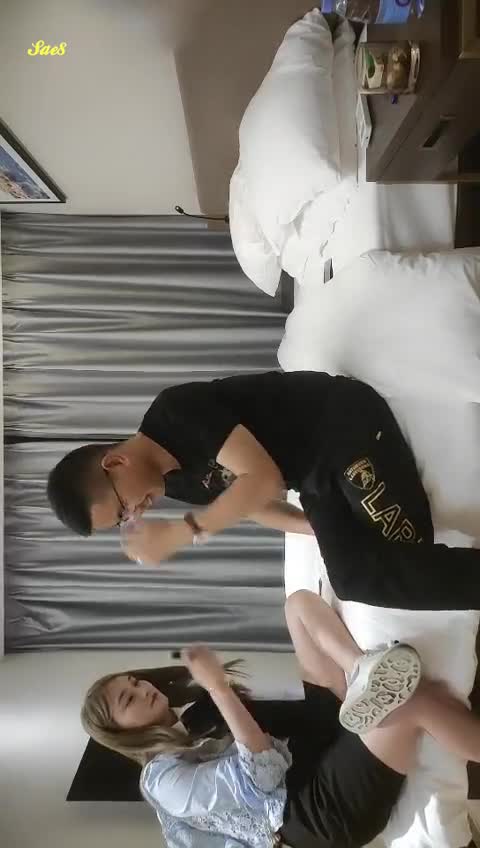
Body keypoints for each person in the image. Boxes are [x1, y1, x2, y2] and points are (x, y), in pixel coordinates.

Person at [48, 370, 480, 610]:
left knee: (406, 548)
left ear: (115, 463)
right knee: (352, 579)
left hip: (339, 427)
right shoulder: (172, 484)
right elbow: (255, 506)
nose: (135, 514)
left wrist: (183, 532)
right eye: (123, 520)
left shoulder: (174, 413)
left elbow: (263, 480)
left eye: (122, 506)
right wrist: (322, 530)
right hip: (315, 479)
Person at [82, 590, 480, 848]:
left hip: (311, 757)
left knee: (299, 606)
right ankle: (375, 690)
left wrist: (325, 690)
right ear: (121, 734)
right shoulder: (162, 783)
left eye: (134, 682)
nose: (143, 689)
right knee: (407, 702)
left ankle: (363, 670)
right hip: (313, 814)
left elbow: (283, 729)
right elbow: (262, 777)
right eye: (128, 698)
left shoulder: (193, 720)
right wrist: (219, 688)